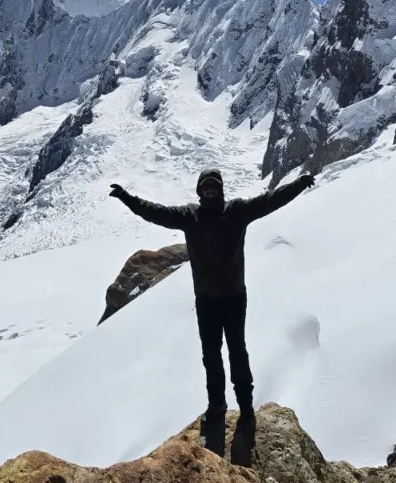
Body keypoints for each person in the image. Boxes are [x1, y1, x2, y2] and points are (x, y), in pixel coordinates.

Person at [109, 168, 315, 451]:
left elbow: (271, 200)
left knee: (237, 352)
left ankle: (245, 407)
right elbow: (155, 212)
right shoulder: (189, 216)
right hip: (206, 300)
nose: (210, 190)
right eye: (205, 186)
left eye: (213, 186)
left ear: (220, 188)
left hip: (233, 298)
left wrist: (299, 185)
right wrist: (127, 198)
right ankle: (216, 405)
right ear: (199, 190)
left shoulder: (238, 211)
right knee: (211, 355)